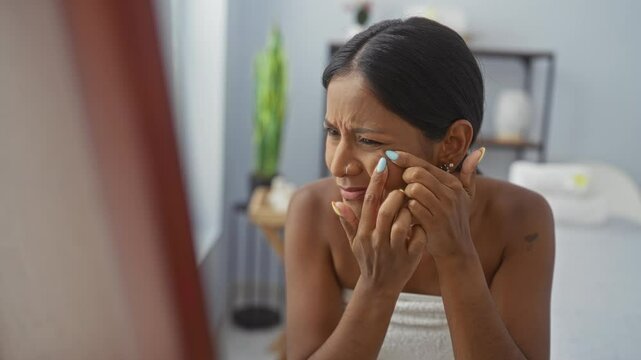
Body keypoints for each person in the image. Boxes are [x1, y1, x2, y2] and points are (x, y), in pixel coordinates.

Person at [285, 17, 554, 360]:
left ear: (453, 143)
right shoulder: (312, 211)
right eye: (333, 132)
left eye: (367, 140)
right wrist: (377, 286)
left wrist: (457, 257)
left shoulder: (522, 219)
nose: (338, 165)